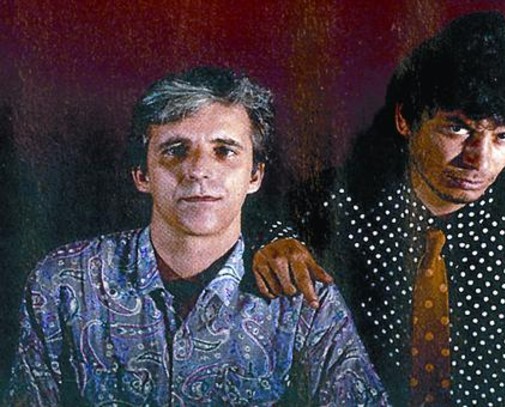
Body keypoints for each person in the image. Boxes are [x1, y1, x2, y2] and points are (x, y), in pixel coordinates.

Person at [252, 12, 505, 406]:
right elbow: (251, 229)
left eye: (503, 136)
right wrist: (272, 242)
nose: (479, 160)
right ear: (405, 119)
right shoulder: (330, 204)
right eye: (458, 128)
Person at [5, 66, 388, 406]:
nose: (199, 170)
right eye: (176, 150)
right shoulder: (65, 283)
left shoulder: (302, 299)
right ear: (142, 174)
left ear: (255, 175)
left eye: (224, 151)